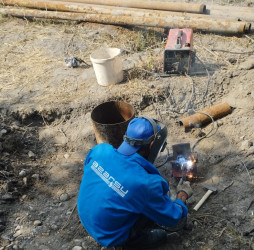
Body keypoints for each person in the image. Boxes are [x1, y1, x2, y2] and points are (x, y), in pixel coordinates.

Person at [77, 116, 193, 249]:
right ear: (151, 145)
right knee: (161, 234)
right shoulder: (145, 183)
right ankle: (128, 242)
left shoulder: (100, 150)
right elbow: (174, 218)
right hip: (109, 235)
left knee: (132, 197)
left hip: (87, 218)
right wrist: (182, 196)